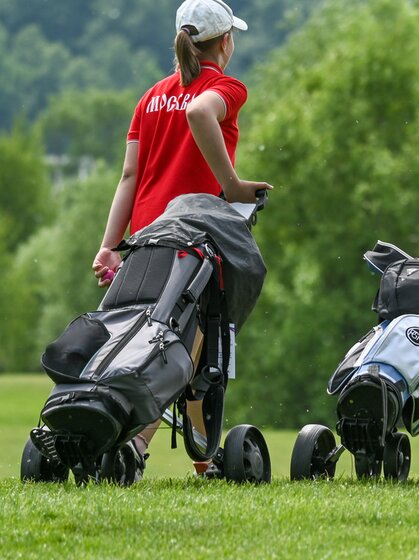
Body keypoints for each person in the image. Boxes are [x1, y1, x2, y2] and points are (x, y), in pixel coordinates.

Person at [91, 0, 272, 479]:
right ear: (225, 42)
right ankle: (137, 446)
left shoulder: (151, 97)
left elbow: (129, 175)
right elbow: (198, 112)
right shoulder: (225, 88)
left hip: (144, 240)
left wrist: (110, 244)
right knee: (191, 341)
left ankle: (204, 459)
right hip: (192, 238)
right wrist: (233, 188)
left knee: (152, 339)